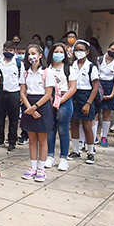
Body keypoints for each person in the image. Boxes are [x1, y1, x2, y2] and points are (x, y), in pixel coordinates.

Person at [20, 44, 55, 183]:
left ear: (40, 55)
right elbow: (23, 92)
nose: (31, 57)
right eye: (29, 54)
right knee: (32, 138)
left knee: (42, 138)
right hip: (29, 104)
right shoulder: (25, 72)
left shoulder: (47, 72)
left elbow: (48, 94)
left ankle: (41, 168)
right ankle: (33, 167)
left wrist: (35, 107)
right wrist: (29, 108)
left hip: (42, 105)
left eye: (34, 53)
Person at [45, 43, 76, 171]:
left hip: (64, 100)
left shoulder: (69, 69)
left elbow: (73, 87)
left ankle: (63, 158)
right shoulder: (47, 68)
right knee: (50, 129)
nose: (58, 55)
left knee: (63, 130)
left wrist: (61, 100)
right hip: (49, 100)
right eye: (56, 52)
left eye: (61, 52)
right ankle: (50, 156)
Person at [70, 40, 99, 164]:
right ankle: (76, 150)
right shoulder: (72, 65)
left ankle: (91, 152)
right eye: (76, 50)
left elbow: (95, 87)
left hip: (86, 96)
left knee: (87, 126)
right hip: (74, 94)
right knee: (74, 124)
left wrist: (88, 103)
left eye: (81, 50)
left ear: (87, 52)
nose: (78, 52)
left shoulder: (91, 67)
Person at [96, 40, 114, 147]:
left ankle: (104, 136)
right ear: (108, 47)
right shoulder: (99, 60)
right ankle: (94, 135)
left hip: (110, 86)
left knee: (106, 114)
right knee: (95, 113)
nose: (113, 51)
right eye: (112, 49)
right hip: (98, 85)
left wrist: (112, 94)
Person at [0, 41, 22, 151]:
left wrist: (21, 96)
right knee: (0, 118)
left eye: (10, 50)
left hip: (14, 93)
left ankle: (12, 141)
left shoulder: (19, 64)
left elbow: (22, 81)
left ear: (15, 51)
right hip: (1, 93)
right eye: (6, 50)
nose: (8, 52)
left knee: (13, 119)